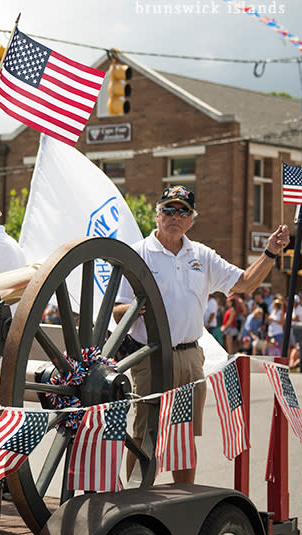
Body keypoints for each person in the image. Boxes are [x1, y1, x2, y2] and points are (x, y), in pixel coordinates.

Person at [116, 185, 288, 484]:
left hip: (191, 357)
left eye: (183, 211)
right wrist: (136, 309)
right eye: (168, 209)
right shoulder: (138, 253)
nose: (175, 216)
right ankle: (132, 499)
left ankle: (184, 499)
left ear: (191, 220)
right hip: (151, 357)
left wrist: (271, 252)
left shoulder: (202, 255)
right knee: (145, 433)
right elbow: (116, 310)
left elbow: (245, 283)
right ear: (157, 215)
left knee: (183, 435)